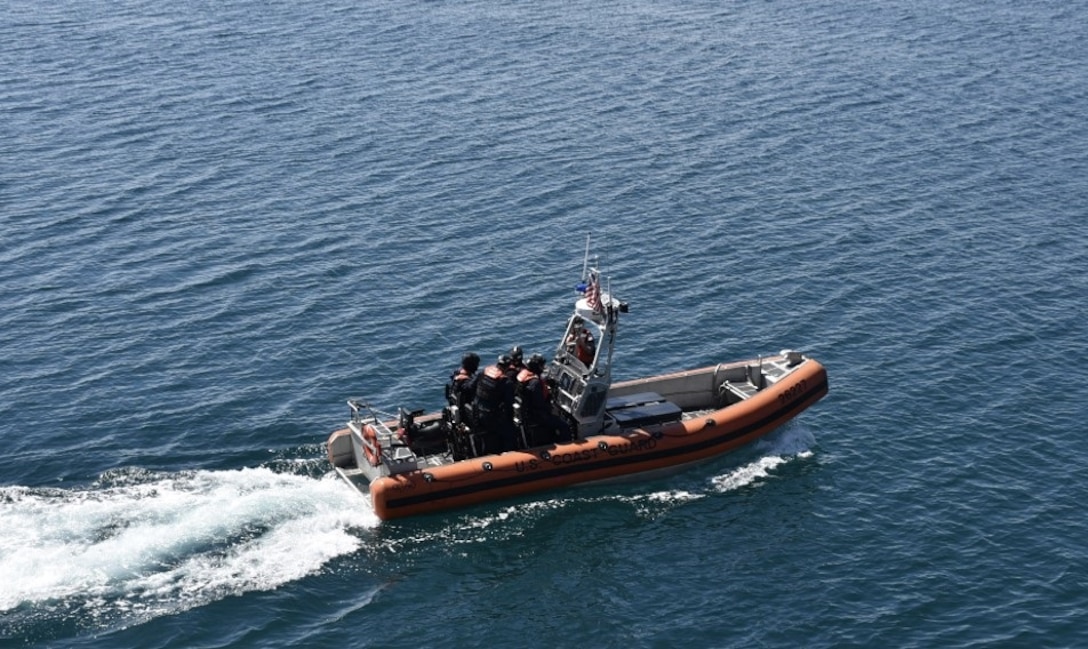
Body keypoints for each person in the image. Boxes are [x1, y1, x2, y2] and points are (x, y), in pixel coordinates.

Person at [515, 353, 571, 446]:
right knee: (564, 426)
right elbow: (539, 403)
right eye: (542, 366)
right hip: (537, 416)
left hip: (527, 413)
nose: (543, 367)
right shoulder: (535, 383)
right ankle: (567, 449)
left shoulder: (524, 375)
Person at [472, 355, 516, 453]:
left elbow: (472, 387)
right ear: (507, 367)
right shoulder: (505, 382)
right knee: (510, 432)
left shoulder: (483, 372)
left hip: (475, 411)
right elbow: (509, 404)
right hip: (490, 416)